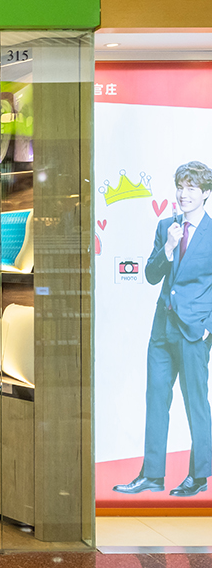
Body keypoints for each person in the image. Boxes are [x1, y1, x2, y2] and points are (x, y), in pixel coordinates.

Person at [115, 161, 212, 497]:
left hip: (194, 332)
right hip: (162, 330)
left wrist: (208, 328)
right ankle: (153, 475)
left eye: (191, 188)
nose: (184, 194)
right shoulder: (165, 226)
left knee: (196, 404)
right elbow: (151, 275)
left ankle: (199, 477)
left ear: (206, 193)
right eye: (180, 187)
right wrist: (168, 247)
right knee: (156, 400)